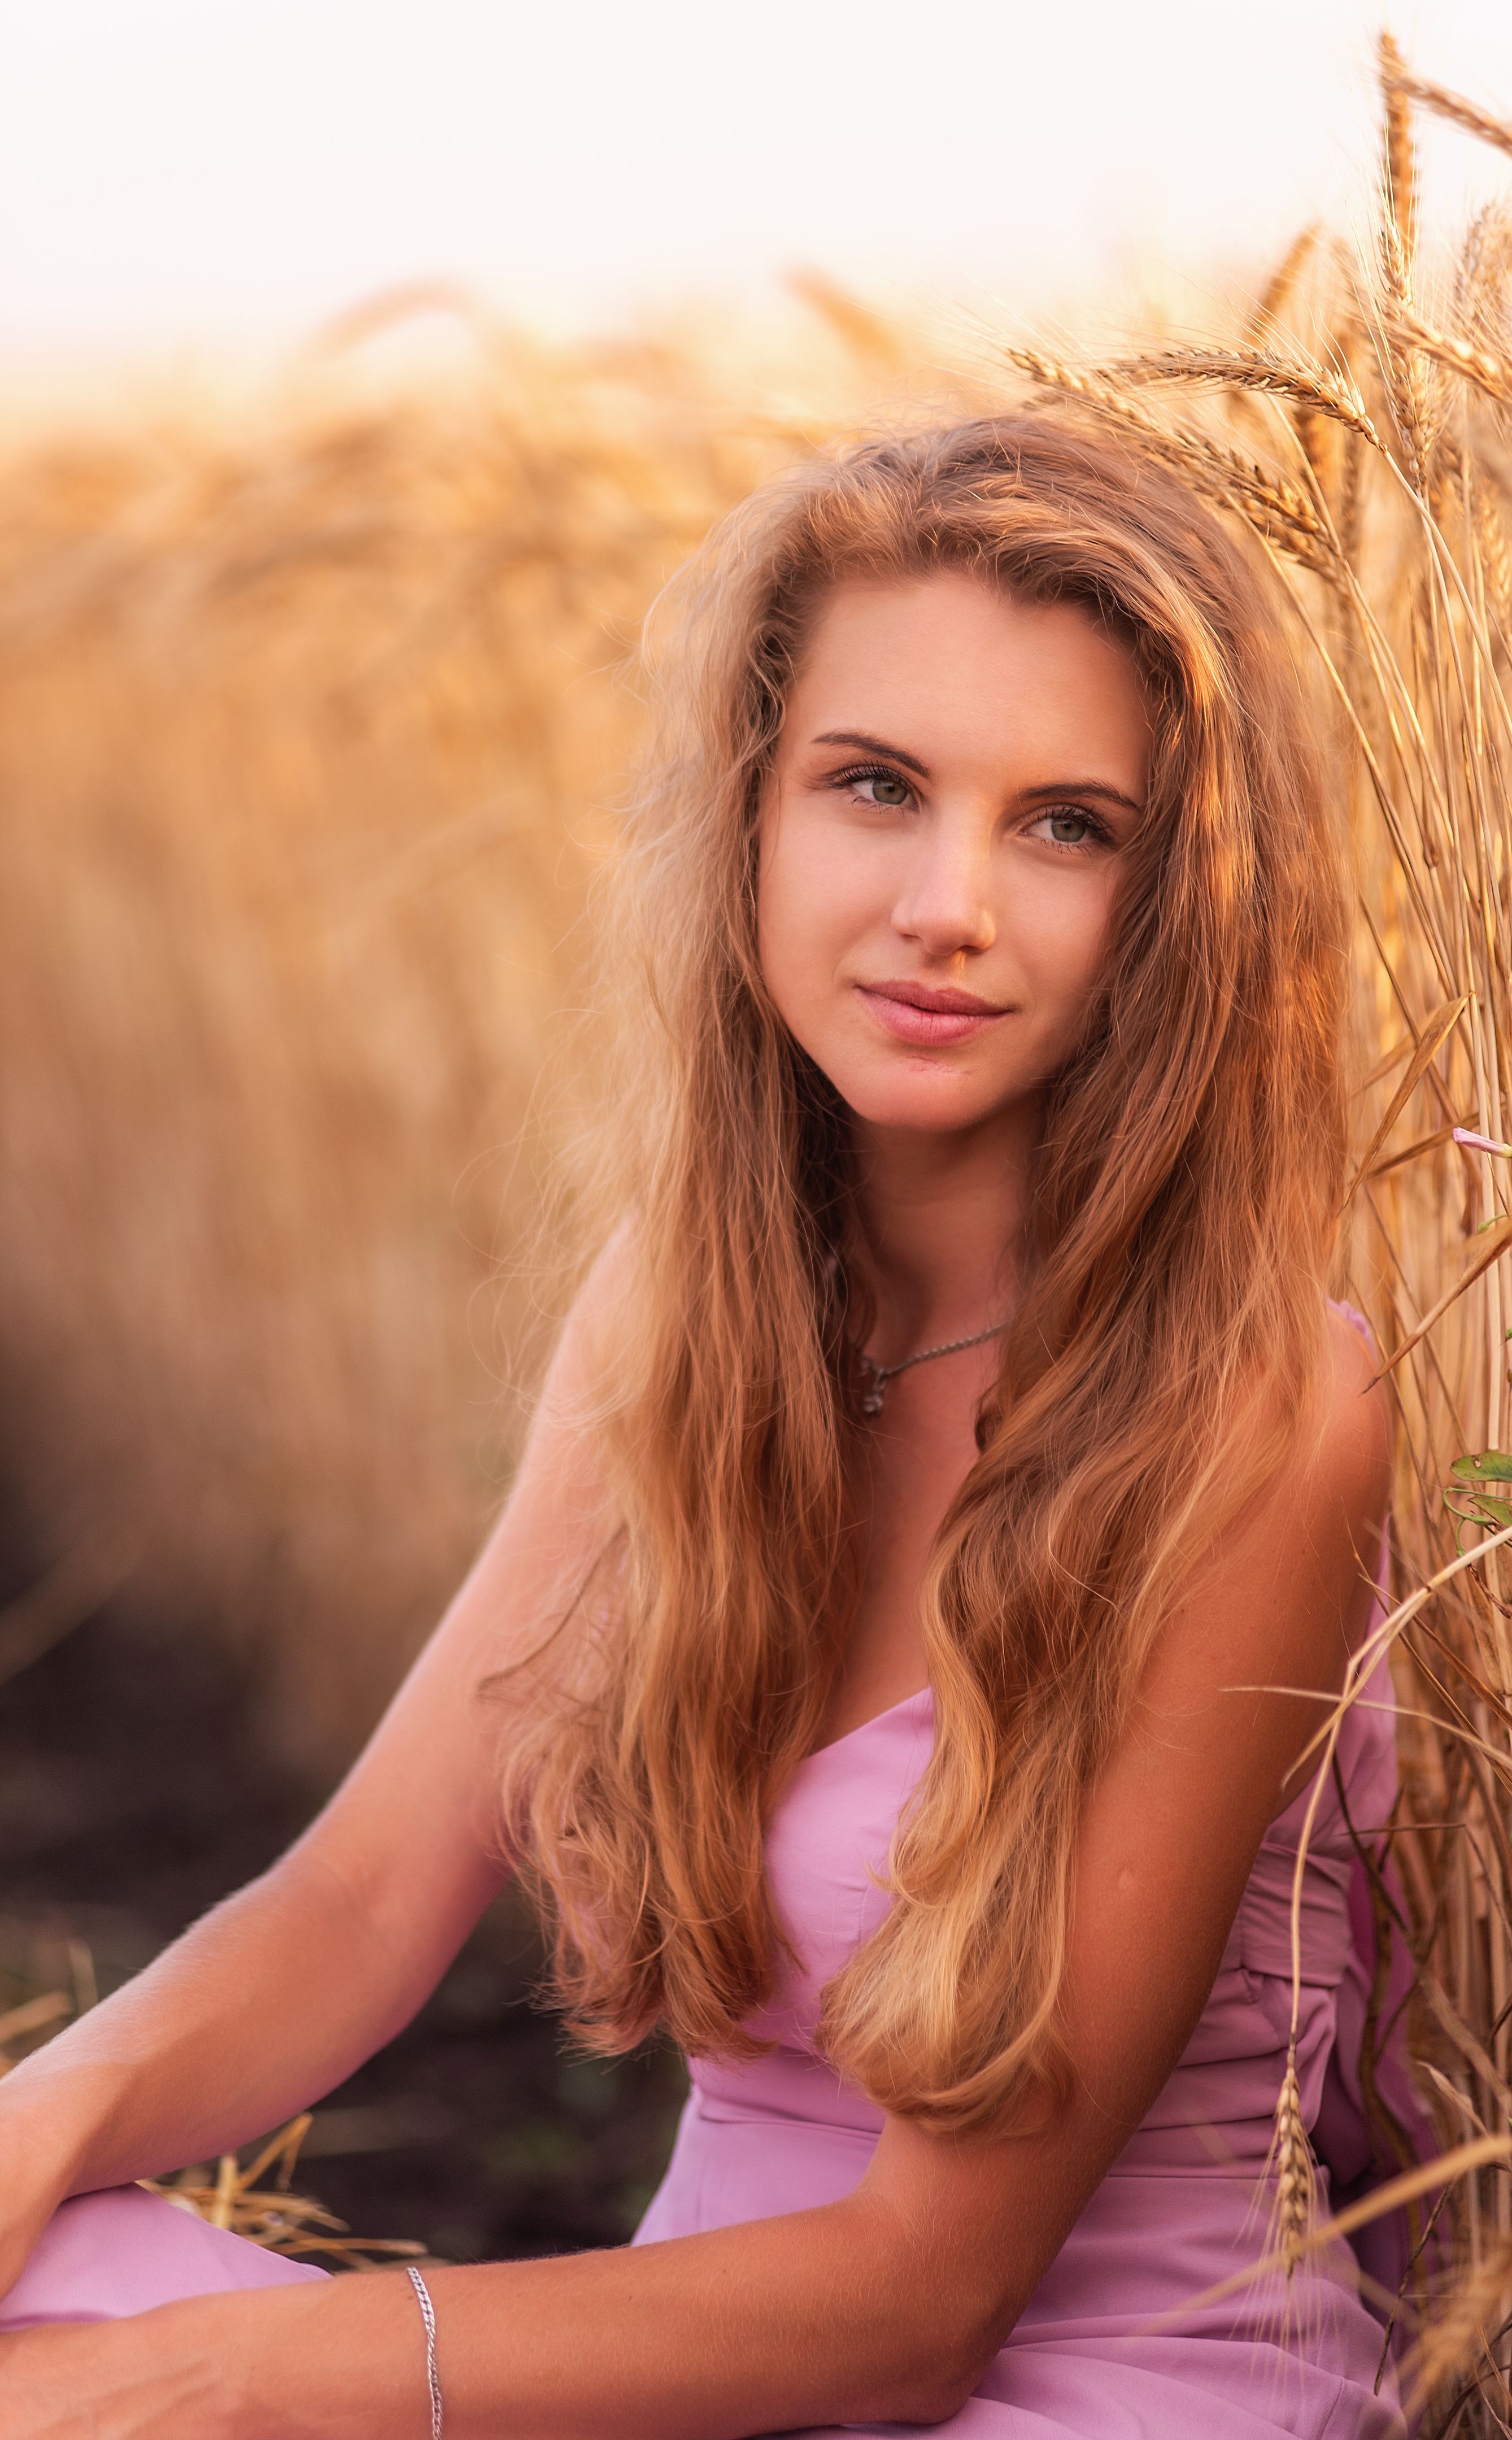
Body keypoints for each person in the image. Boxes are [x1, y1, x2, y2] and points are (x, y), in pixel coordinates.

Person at [0, 415, 1422, 2439]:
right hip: (690, 2374)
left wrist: (238, 2372)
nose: (946, 903)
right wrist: (47, 2121)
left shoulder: (1263, 1411)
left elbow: (931, 2303)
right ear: (752, 814)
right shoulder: (680, 1332)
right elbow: (354, 1905)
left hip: (1090, 2398)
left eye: (1065, 826)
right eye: (874, 787)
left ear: (1179, 902)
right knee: (51, 2284)